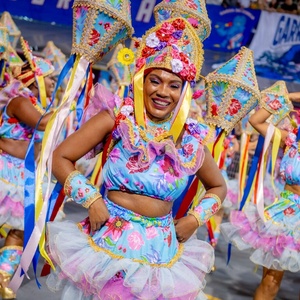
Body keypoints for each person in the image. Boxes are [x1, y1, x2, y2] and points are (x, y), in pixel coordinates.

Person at [45, 16, 227, 300]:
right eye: (155, 80)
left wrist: (194, 219)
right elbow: (60, 157)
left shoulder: (190, 138)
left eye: (173, 85)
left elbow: (218, 187)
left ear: (184, 92)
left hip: (161, 253)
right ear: (141, 81)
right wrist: (91, 200)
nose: (163, 92)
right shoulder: (117, 118)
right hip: (109, 243)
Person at [221, 91, 300, 300]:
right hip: (286, 214)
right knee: (270, 281)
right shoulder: (290, 141)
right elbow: (257, 120)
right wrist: (288, 97)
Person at [0, 50, 55, 298]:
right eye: (51, 78)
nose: (54, 84)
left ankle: (3, 278)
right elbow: (43, 123)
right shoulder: (20, 101)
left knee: (19, 230)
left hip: (22, 174)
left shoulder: (32, 103)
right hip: (5, 170)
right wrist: (68, 106)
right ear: (36, 79)